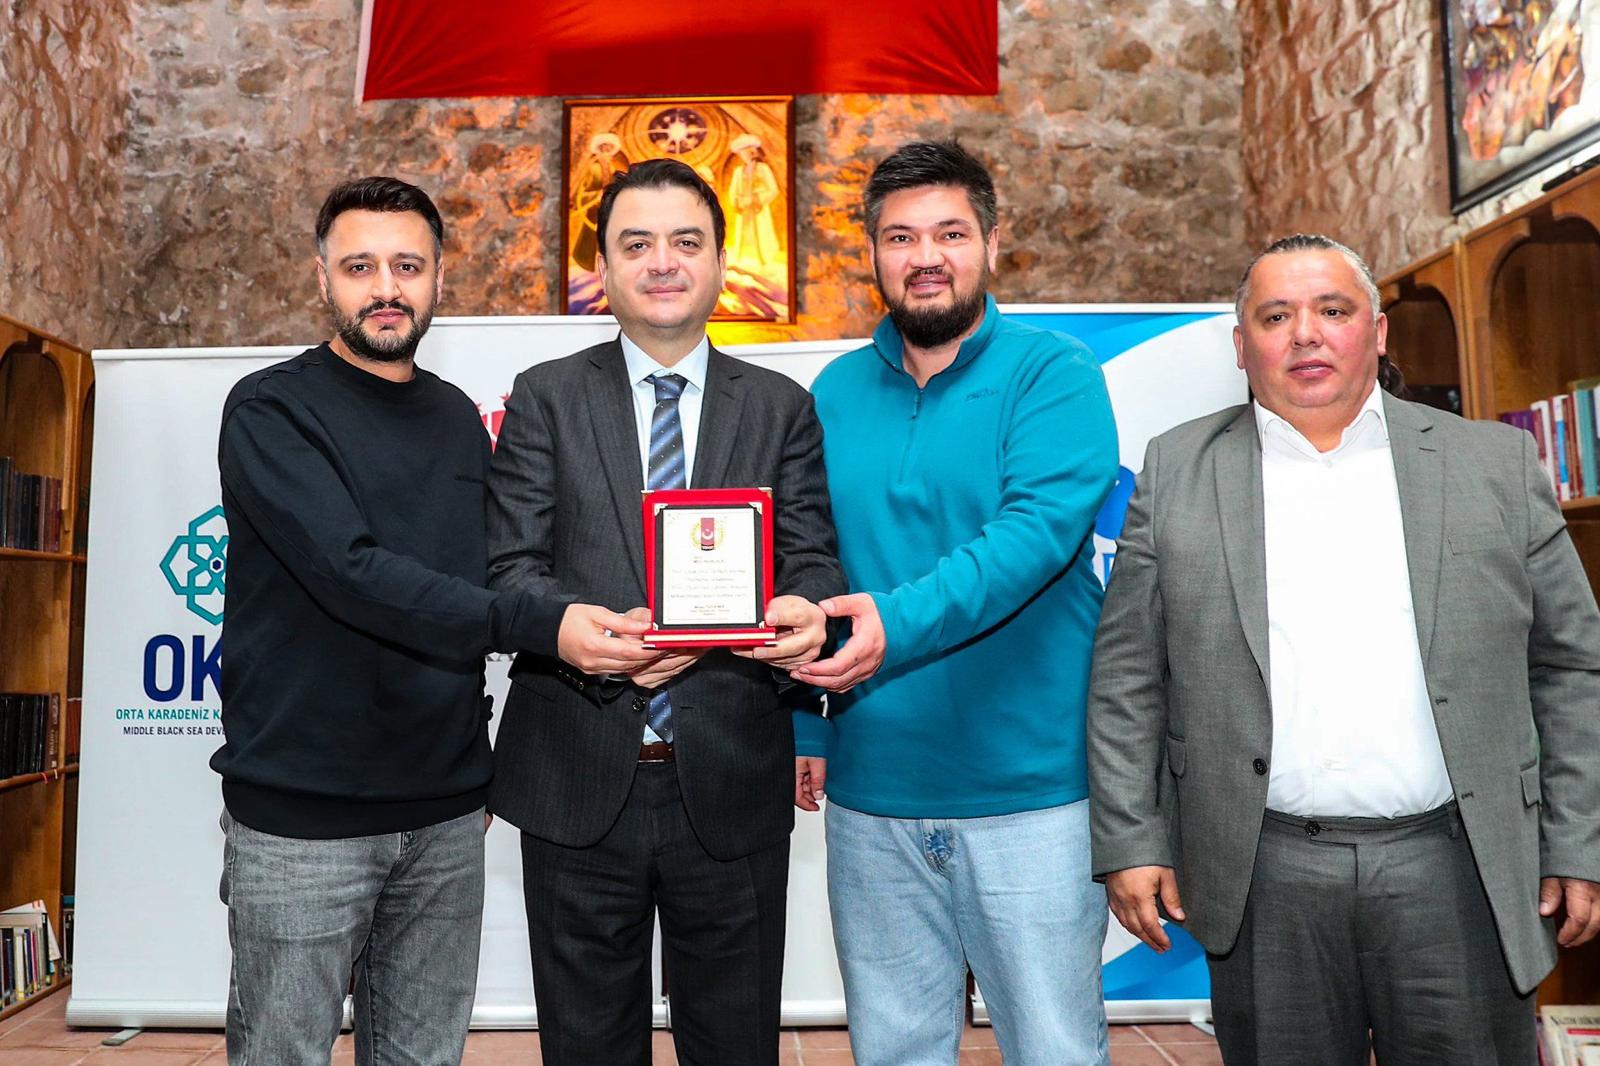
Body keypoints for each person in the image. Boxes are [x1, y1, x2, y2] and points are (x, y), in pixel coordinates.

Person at [1088, 233, 1600, 1064]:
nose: (1305, 334)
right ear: (1241, 345)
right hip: (1264, 879)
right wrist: (1131, 840)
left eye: (1332, 310)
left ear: (1378, 331)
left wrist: (1578, 840)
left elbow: (1572, 665)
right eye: (1275, 316)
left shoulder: (1494, 465)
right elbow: (1127, 680)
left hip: (1461, 871)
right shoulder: (1177, 471)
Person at [212, 176, 652, 1065]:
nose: (386, 288)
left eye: (407, 266)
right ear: (323, 277)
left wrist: (638, 620)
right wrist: (550, 627)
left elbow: (489, 570)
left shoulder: (456, 417)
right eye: (360, 267)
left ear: (440, 277)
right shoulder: (269, 409)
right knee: (282, 1053)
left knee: (424, 1058)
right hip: (304, 815)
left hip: (447, 813)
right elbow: (352, 575)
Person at [486, 158, 846, 1066]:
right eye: (636, 243)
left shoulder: (781, 407)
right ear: (602, 269)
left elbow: (809, 557)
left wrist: (801, 608)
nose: (662, 262)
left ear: (722, 261)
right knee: (586, 1048)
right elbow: (509, 569)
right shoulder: (544, 396)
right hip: (575, 775)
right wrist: (587, 632)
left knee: (735, 1047)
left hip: (731, 776)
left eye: (686, 242)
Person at [790, 140, 1120, 1066]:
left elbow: (1031, 539)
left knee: (1055, 1049)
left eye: (950, 233)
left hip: (1031, 796)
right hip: (873, 795)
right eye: (901, 237)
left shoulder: (1055, 373)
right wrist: (808, 724)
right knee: (895, 1049)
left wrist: (892, 624)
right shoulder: (834, 392)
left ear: (991, 244)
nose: (925, 256)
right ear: (872, 253)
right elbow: (814, 561)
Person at [724, 132, 781, 272]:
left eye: (745, 151)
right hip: (744, 211)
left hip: (758, 211)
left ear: (752, 151)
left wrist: (757, 199)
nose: (743, 155)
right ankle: (744, 261)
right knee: (743, 236)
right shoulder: (738, 171)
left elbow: (773, 189)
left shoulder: (763, 169)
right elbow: (733, 192)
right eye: (741, 153)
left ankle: (763, 260)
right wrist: (738, 201)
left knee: (761, 235)